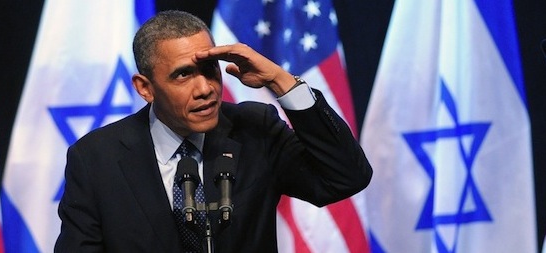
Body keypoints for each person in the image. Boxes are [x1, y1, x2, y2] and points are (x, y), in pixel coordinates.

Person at [54, 10, 372, 253]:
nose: (205, 89)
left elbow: (346, 177)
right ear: (145, 88)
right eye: (183, 75)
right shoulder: (97, 158)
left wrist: (279, 80)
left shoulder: (254, 129)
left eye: (210, 70)